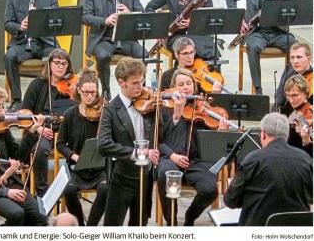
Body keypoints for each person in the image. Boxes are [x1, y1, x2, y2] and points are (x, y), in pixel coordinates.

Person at [158, 68, 229, 226]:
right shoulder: (164, 107)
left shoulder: (203, 108)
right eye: (181, 84)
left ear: (195, 87)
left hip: (196, 162)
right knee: (165, 174)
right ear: (174, 87)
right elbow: (157, 140)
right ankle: (171, 221)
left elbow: (213, 146)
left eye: (189, 83)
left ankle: (190, 217)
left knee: (210, 189)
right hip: (170, 159)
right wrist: (177, 114)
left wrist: (220, 132)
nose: (185, 87)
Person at [98, 57, 159, 226]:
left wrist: (176, 112)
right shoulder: (110, 109)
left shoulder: (149, 103)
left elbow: (163, 130)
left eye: (143, 81)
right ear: (121, 82)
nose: (141, 87)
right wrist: (136, 153)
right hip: (122, 177)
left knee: (140, 225)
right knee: (113, 226)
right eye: (135, 83)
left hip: (145, 175)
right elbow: (103, 145)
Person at [225, 0, 297, 95]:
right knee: (253, 46)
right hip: (256, 33)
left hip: (278, 33)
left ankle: (288, 86)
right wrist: (240, 20)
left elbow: (292, 13)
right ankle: (258, 89)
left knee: (296, 47)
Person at [224, 112, 313, 226]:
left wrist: (231, 187)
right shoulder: (305, 159)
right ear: (287, 135)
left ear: (263, 134)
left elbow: (231, 201)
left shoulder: (253, 159)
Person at [83, 0, 148, 101]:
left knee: (144, 54)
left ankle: (139, 90)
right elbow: (85, 16)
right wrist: (104, 21)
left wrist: (129, 13)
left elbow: (142, 14)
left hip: (125, 38)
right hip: (104, 39)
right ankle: (106, 91)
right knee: (102, 56)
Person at [0, 82, 47, 226]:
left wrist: (32, 130)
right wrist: (5, 192)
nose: (2, 111)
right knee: (17, 215)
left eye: (2, 105)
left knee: (40, 219)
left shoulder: (0, 127)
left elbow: (17, 156)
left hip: (11, 183)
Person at [5, 0, 59, 111]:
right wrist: (20, 26)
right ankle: (16, 100)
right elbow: (7, 23)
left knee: (60, 56)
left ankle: (53, 98)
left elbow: (56, 21)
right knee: (9, 57)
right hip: (22, 42)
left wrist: (40, 21)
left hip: (44, 42)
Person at [22, 48, 76, 197]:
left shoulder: (72, 86)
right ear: (50, 64)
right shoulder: (37, 84)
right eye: (57, 63)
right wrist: (38, 128)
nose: (60, 66)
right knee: (39, 150)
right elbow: (25, 112)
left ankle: (76, 186)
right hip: (45, 130)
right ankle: (42, 193)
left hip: (67, 132)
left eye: (64, 63)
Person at [57, 68, 107, 226]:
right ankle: (80, 226)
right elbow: (60, 144)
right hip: (76, 167)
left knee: (105, 189)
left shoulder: (104, 113)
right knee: (69, 190)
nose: (90, 96)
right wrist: (74, 156)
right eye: (86, 92)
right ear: (78, 90)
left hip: (99, 168)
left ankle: (90, 228)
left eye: (93, 92)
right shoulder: (70, 114)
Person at [145, 0, 216, 60]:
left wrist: (192, 23)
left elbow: (209, 17)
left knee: (211, 47)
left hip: (197, 34)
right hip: (175, 35)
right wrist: (158, 30)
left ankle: (209, 73)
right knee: (185, 46)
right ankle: (182, 74)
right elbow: (149, 7)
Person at [277, 42, 312, 115]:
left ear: (309, 59)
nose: (295, 61)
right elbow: (279, 99)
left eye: (299, 57)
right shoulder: (288, 71)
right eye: (292, 57)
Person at [284, 75, 312, 157]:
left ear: (306, 94)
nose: (291, 100)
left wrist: (306, 141)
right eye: (288, 95)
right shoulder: (295, 113)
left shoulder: (308, 115)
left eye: (295, 95)